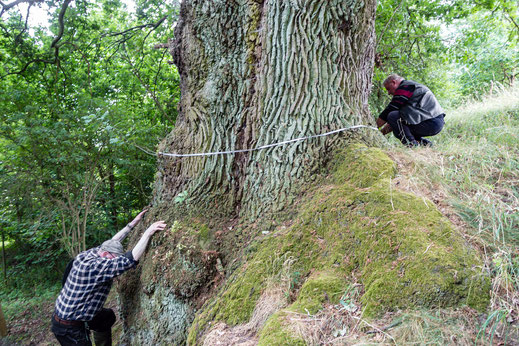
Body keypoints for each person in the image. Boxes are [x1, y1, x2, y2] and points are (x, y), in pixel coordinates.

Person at [51, 209, 167, 346]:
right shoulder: (96, 267)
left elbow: (113, 241)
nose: (113, 262)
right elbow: (130, 259)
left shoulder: (91, 253)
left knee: (106, 317)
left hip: (73, 314)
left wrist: (132, 224)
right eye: (113, 258)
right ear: (106, 255)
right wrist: (149, 232)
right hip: (69, 328)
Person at [376, 74, 445, 147]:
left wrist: (374, 127)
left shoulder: (405, 87)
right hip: (435, 122)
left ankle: (412, 146)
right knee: (397, 128)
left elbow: (390, 110)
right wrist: (380, 133)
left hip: (431, 122)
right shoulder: (410, 88)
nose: (389, 93)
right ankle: (426, 145)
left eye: (388, 89)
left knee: (392, 115)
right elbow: (395, 122)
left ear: (394, 82)